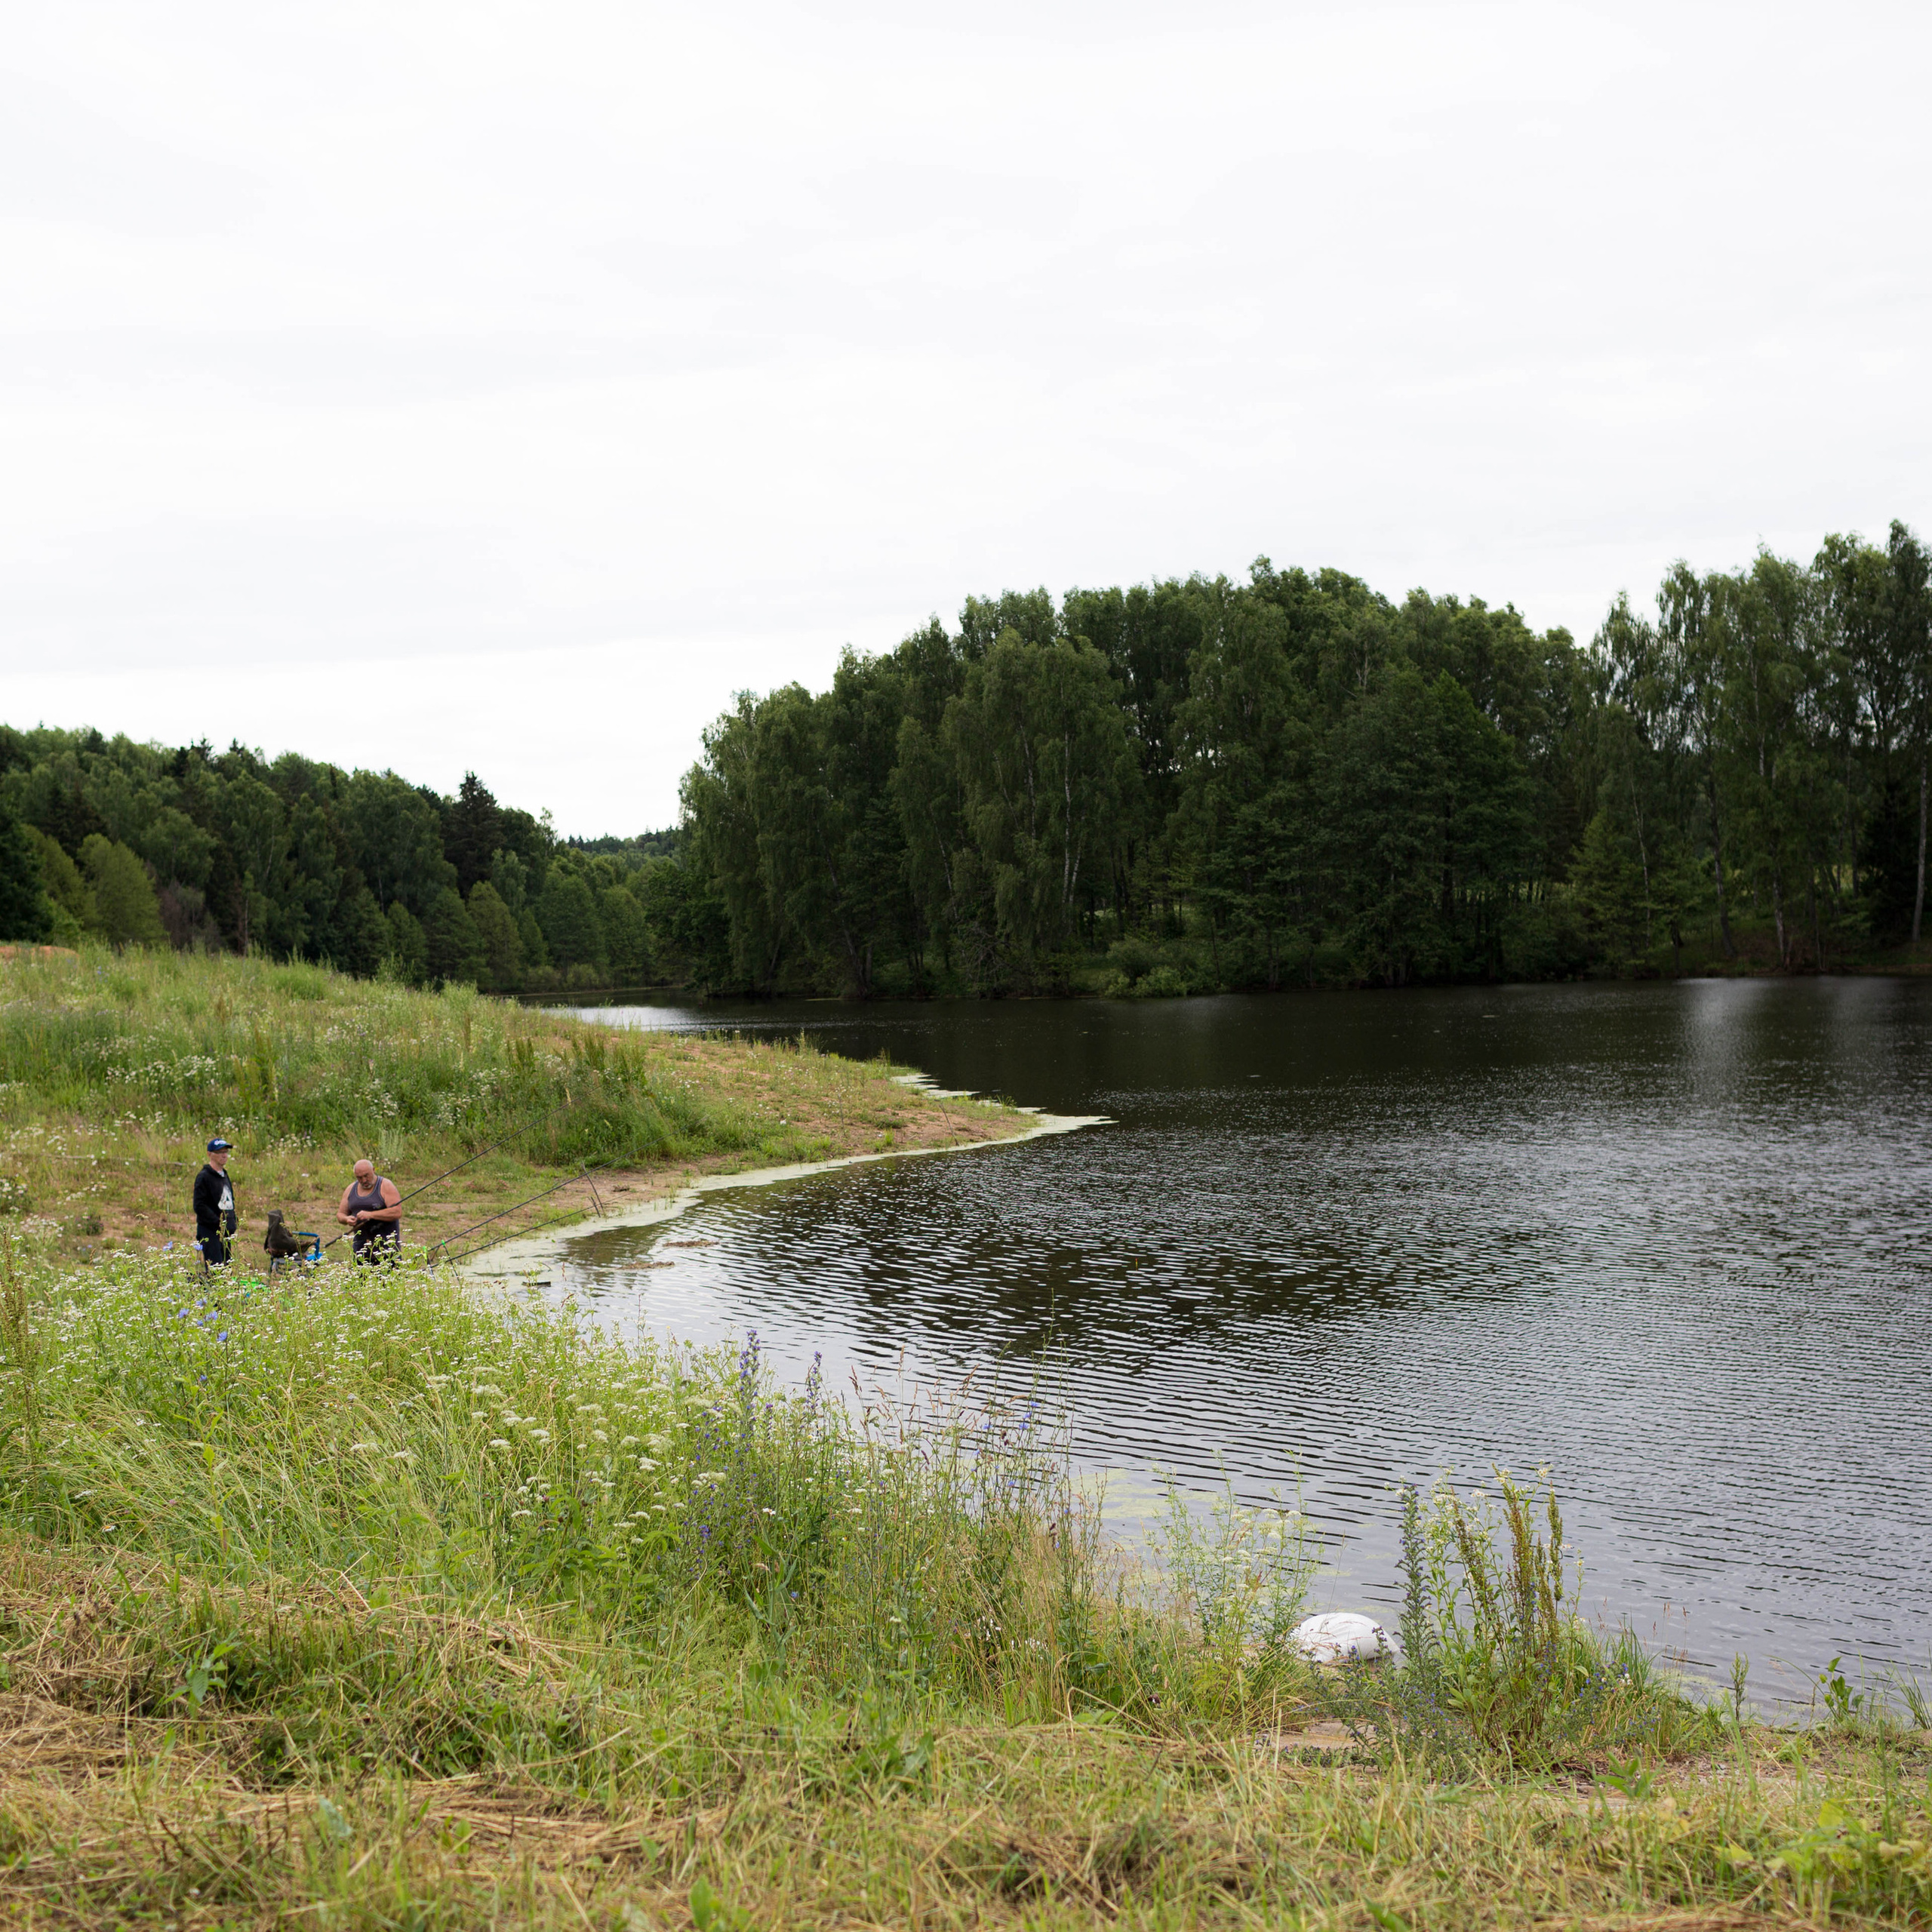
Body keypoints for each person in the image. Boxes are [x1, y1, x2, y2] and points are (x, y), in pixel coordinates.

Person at [337, 1159, 403, 1263]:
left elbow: (397, 1212)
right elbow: (340, 1215)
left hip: (387, 1249)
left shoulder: (385, 1186)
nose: (364, 1180)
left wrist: (371, 1215)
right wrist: (346, 1219)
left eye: (366, 1176)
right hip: (361, 1250)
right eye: (359, 1178)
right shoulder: (350, 1189)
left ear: (373, 1170)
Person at [192, 1137, 238, 1267]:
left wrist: (233, 1221)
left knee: (227, 1267)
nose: (224, 1155)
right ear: (209, 1154)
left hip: (226, 1232)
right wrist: (218, 1222)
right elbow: (199, 1206)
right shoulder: (204, 1177)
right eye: (219, 1152)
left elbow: (229, 1201)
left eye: (225, 1152)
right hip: (210, 1231)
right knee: (216, 1269)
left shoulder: (224, 1175)